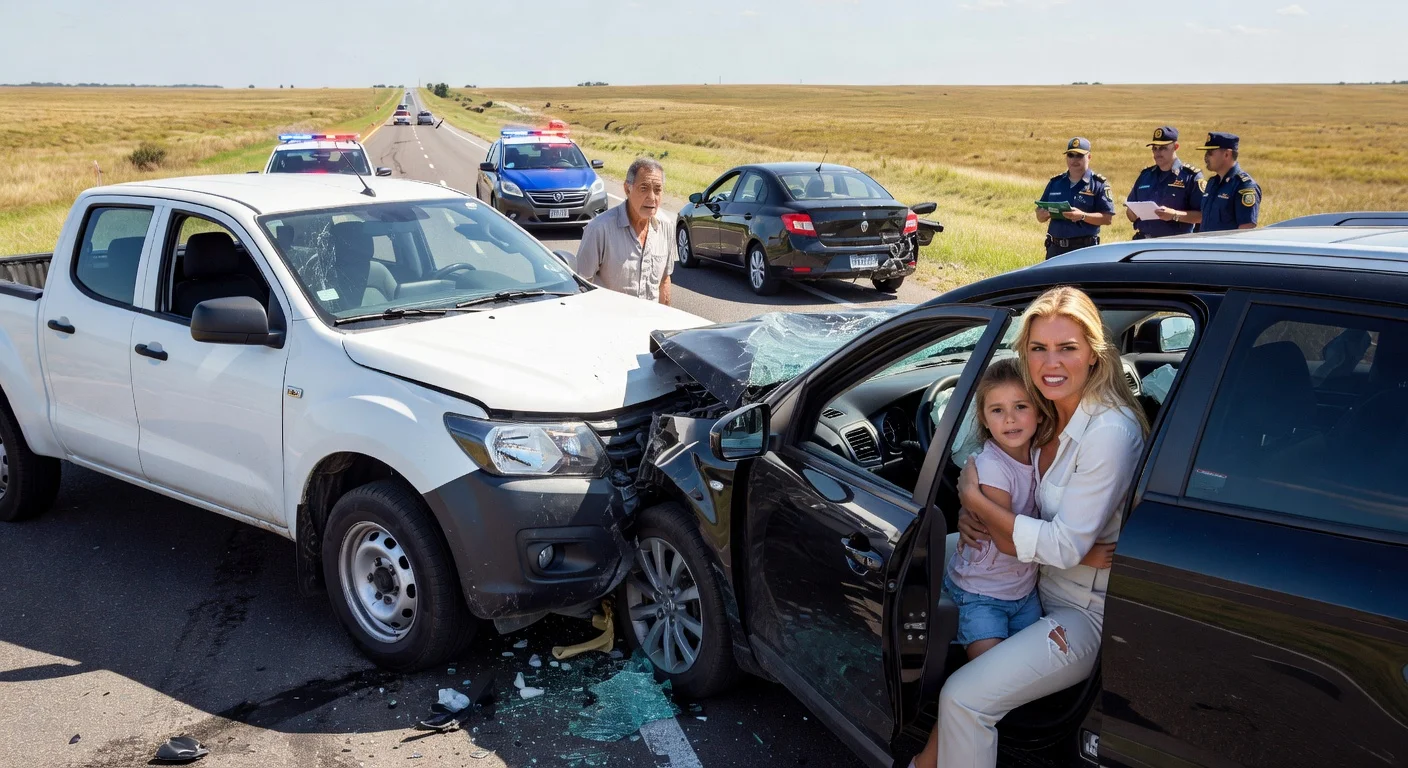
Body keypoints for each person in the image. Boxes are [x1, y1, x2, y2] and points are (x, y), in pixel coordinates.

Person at [913, 286, 1148, 768]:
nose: (1050, 363)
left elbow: (1062, 548)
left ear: (1094, 354)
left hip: (1080, 610)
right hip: (1030, 579)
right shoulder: (1047, 415)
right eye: (1038, 348)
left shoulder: (1109, 433)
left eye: (1067, 348)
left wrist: (974, 497)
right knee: (909, 552)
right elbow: (1019, 499)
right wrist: (973, 512)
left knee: (964, 697)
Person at [574, 157, 674, 304]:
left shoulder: (666, 226)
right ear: (627, 189)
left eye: (657, 190)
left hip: (653, 322)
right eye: (644, 188)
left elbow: (664, 280)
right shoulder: (599, 229)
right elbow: (581, 286)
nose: (652, 198)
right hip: (612, 322)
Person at [1036, 138, 1114, 260]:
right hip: (1055, 249)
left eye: (1079, 155)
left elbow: (1107, 218)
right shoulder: (1055, 182)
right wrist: (1041, 215)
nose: (1074, 159)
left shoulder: (1098, 184)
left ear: (1089, 157)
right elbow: (1040, 212)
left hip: (1084, 250)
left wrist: (1083, 216)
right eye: (1071, 155)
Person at [1125, 126, 1205, 239]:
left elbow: (1202, 216)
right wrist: (1132, 212)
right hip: (1143, 242)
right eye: (1154, 148)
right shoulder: (1145, 175)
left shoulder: (1190, 177)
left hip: (1175, 244)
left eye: (1163, 148)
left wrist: (1174, 215)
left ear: (1175, 147)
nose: (1157, 152)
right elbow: (1130, 214)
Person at [1195, 131, 1261, 232]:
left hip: (1223, 247)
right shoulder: (1212, 182)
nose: (1206, 157)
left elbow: (1245, 229)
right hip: (1206, 246)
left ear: (1227, 154)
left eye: (1210, 152)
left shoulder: (1244, 186)